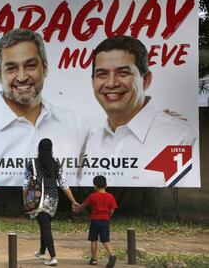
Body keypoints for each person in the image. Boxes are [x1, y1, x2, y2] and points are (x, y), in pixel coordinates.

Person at [0, 28, 90, 186]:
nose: (21, 77)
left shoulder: (78, 126)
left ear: (45, 68)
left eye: (30, 66)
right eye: (11, 68)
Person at [80, 36, 198, 186]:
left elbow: (181, 204)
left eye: (123, 73)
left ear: (146, 80)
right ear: (92, 82)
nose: (111, 83)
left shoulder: (181, 138)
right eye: (101, 75)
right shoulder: (92, 142)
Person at [23, 138, 79, 266]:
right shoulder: (56, 163)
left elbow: (25, 185)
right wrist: (73, 201)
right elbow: (64, 185)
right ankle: (42, 252)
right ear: (51, 149)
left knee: (45, 227)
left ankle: (53, 257)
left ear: (39, 149)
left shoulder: (32, 164)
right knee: (45, 224)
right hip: (53, 198)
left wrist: (25, 200)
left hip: (39, 198)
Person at [75, 175, 117, 267]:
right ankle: (112, 254)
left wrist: (77, 209)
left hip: (95, 220)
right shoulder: (110, 196)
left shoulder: (92, 196)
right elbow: (112, 210)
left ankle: (94, 259)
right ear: (106, 185)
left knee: (93, 240)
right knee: (105, 240)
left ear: (95, 186)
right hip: (105, 221)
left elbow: (84, 205)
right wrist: (108, 216)